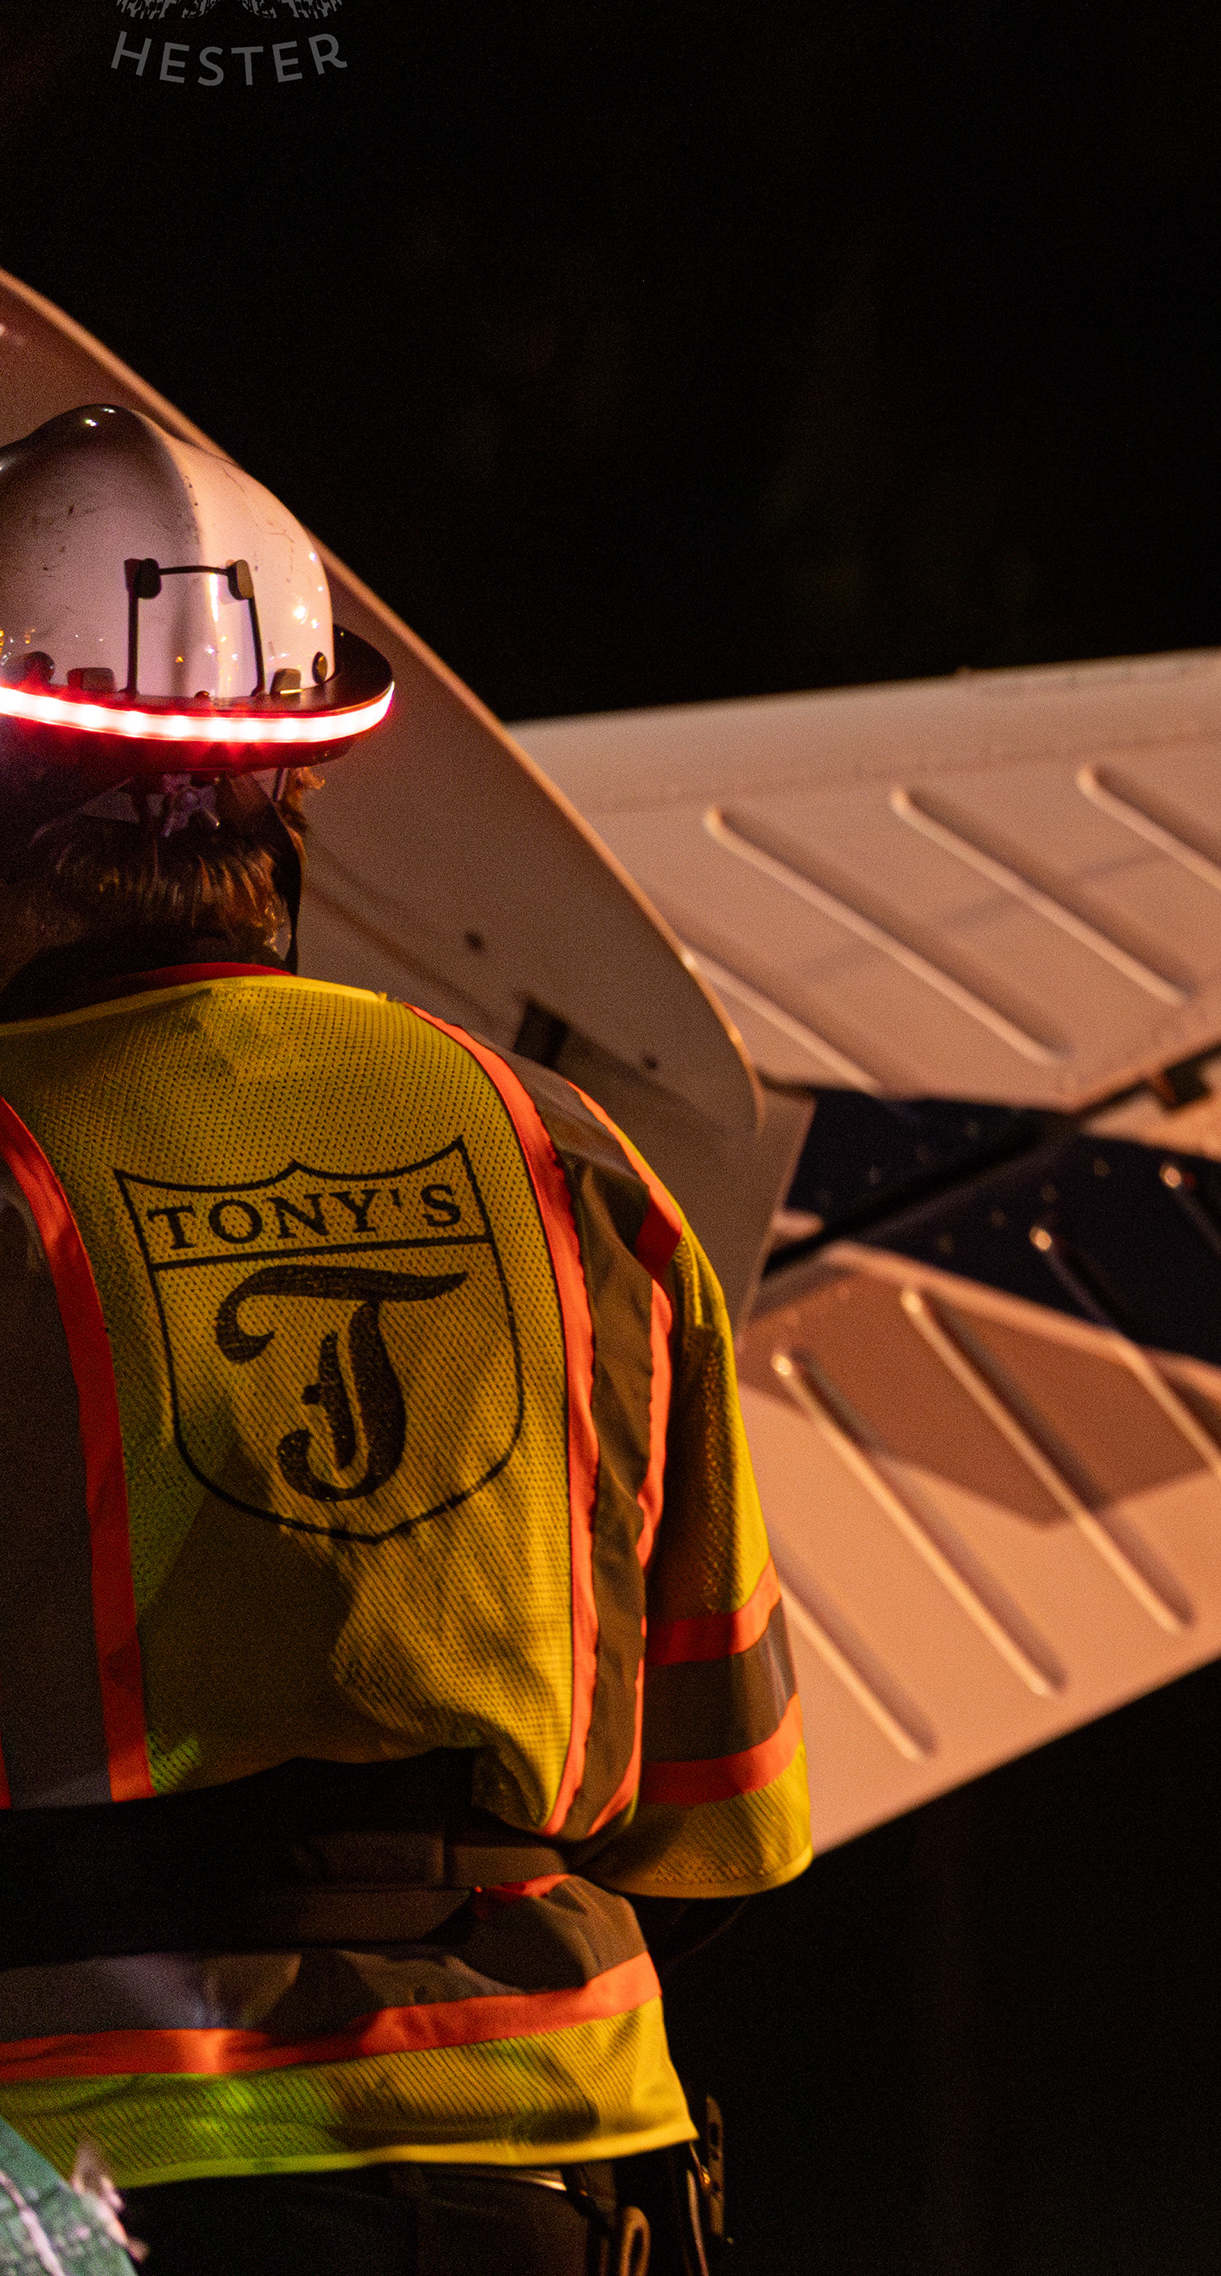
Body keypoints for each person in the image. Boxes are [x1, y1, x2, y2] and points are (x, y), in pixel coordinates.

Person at [0, 405, 807, 2271]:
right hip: (563, 2170)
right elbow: (727, 1819)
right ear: (293, 794)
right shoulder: (572, 1163)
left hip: (97, 2187)